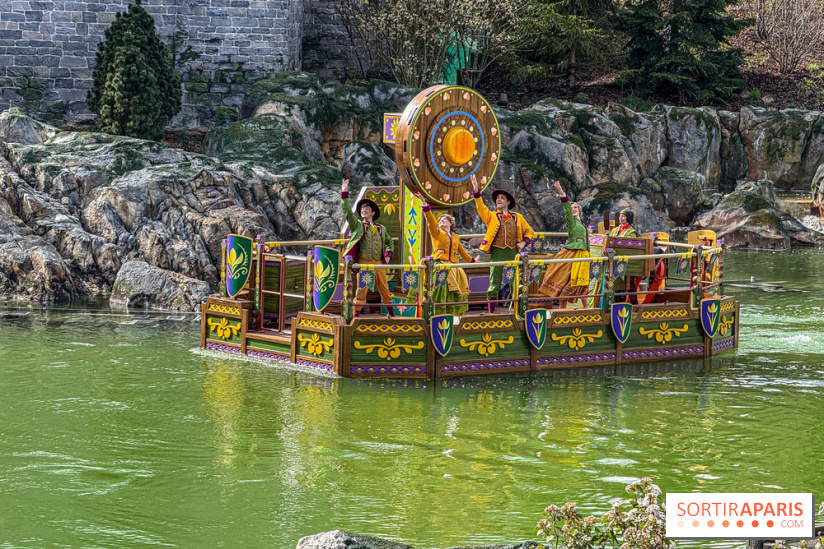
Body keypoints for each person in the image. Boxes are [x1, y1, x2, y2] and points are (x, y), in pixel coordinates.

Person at [471, 174, 536, 314]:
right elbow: (480, 207)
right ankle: (491, 312)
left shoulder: (518, 217)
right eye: (497, 198)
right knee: (494, 281)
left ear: (508, 202)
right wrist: (476, 191)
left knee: (515, 280)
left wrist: (523, 242)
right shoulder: (492, 216)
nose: (499, 200)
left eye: (502, 198)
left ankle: (516, 310)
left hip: (513, 252)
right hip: (497, 252)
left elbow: (530, 231)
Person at [410, 192, 479, 315]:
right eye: (440, 220)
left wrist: (473, 261)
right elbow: (430, 220)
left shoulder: (456, 237)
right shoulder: (436, 233)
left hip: (453, 266)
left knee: (454, 290)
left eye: (445, 219)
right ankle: (435, 313)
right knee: (439, 288)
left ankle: (453, 315)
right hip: (439, 263)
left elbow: (462, 253)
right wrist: (424, 204)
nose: (442, 221)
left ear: (451, 223)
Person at [341, 178, 394, 316]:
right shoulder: (358, 226)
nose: (364, 210)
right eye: (362, 209)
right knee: (361, 290)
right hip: (364, 262)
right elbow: (347, 211)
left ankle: (391, 315)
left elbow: (389, 242)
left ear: (373, 213)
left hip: (379, 263)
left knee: (385, 289)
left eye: (367, 209)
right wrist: (344, 192)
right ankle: (355, 316)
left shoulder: (381, 228)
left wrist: (388, 256)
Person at [538, 180, 590, 307]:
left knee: (582, 284)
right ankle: (562, 308)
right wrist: (560, 190)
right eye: (571, 208)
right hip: (572, 253)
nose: (573, 209)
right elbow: (566, 206)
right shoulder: (571, 222)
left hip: (583, 255)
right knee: (566, 280)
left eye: (575, 207)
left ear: (579, 209)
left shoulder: (582, 225)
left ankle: (586, 309)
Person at [608, 208, 640, 303]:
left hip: (625, 261)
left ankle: (633, 305)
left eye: (624, 216)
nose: (621, 218)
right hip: (613, 260)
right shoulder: (614, 230)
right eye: (620, 216)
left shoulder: (631, 232)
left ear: (628, 218)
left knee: (629, 284)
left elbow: (630, 246)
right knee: (613, 283)